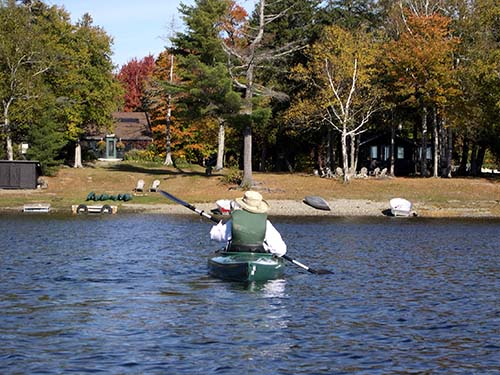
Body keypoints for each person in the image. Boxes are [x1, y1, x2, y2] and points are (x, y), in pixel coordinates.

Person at [210, 190, 287, 257]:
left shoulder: (233, 221)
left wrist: (219, 226)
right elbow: (280, 251)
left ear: (243, 205)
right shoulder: (266, 224)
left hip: (236, 256)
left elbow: (214, 235)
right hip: (259, 257)